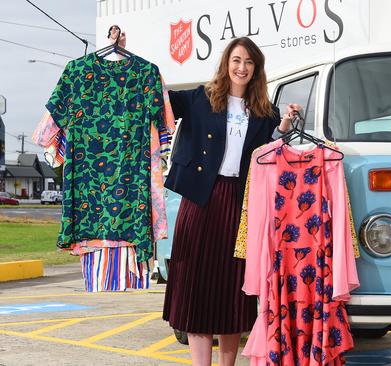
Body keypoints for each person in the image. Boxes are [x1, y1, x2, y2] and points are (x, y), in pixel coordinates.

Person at [119, 32, 299, 366]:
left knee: (232, 289)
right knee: (197, 288)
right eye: (236, 60)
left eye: (248, 62)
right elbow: (156, 98)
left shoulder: (265, 112)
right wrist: (124, 56)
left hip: (240, 204)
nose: (241, 67)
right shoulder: (201, 98)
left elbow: (272, 152)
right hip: (200, 201)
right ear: (226, 63)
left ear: (256, 69)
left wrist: (285, 125)